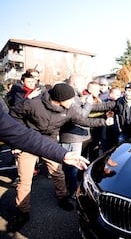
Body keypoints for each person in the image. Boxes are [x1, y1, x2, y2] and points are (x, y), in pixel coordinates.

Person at [7, 83, 111, 232]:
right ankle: (22, 212)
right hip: (28, 142)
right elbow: (13, 116)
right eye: (69, 99)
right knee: (24, 180)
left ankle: (62, 198)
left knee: (58, 173)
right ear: (59, 98)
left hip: (49, 143)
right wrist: (16, 141)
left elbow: (83, 120)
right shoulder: (33, 104)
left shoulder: (69, 109)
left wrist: (103, 122)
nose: (72, 101)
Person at [59, 75, 93, 199]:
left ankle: (65, 189)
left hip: (65, 135)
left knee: (65, 165)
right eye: (82, 81)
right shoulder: (72, 97)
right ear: (74, 82)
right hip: (74, 136)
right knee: (73, 166)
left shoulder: (69, 95)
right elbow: (81, 116)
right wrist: (88, 103)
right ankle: (72, 191)